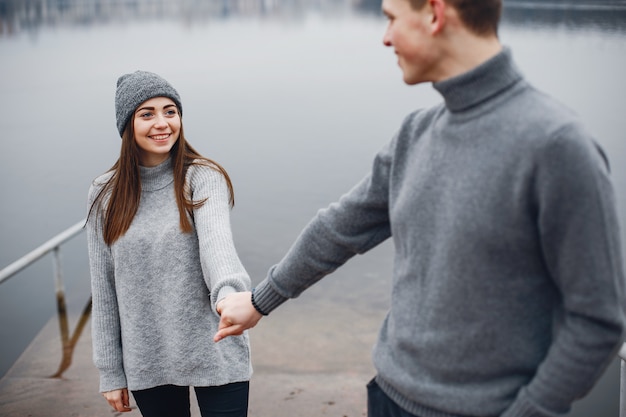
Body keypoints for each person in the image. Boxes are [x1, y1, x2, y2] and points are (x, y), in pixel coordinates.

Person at [213, 0, 626, 416]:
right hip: (388, 398)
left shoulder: (555, 145)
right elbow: (338, 228)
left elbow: (597, 321)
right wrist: (261, 300)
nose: (385, 36)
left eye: (391, 17)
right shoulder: (416, 133)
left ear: (434, 13)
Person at [86, 70, 252, 417]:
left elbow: (217, 248)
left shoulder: (202, 176)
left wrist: (229, 296)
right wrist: (110, 371)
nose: (162, 123)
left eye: (170, 111)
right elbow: (103, 287)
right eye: (147, 114)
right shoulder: (105, 193)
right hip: (149, 356)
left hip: (215, 346)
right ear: (127, 125)